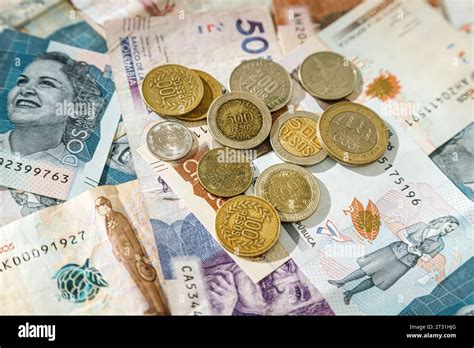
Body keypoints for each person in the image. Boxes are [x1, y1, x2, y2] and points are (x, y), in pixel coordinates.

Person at [328, 215, 460, 304]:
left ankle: (350, 293)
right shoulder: (421, 226)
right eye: (449, 226)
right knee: (367, 268)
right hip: (393, 251)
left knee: (377, 280)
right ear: (444, 222)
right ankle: (342, 281)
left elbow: (426, 258)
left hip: (406, 263)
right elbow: (401, 233)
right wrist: (409, 245)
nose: (449, 230)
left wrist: (418, 253)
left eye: (452, 230)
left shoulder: (440, 244)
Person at [1, 51, 102, 165]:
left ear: (76, 108)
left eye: (47, 83)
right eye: (22, 81)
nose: (25, 89)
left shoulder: (78, 173)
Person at [95, 196, 167, 315]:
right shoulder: (107, 220)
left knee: (147, 282)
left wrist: (138, 254)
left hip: (133, 255)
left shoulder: (118, 217)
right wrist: (117, 253)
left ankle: (161, 309)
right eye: (96, 207)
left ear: (106, 205)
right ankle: (152, 306)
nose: (97, 209)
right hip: (124, 259)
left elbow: (131, 235)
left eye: (98, 206)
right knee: (139, 283)